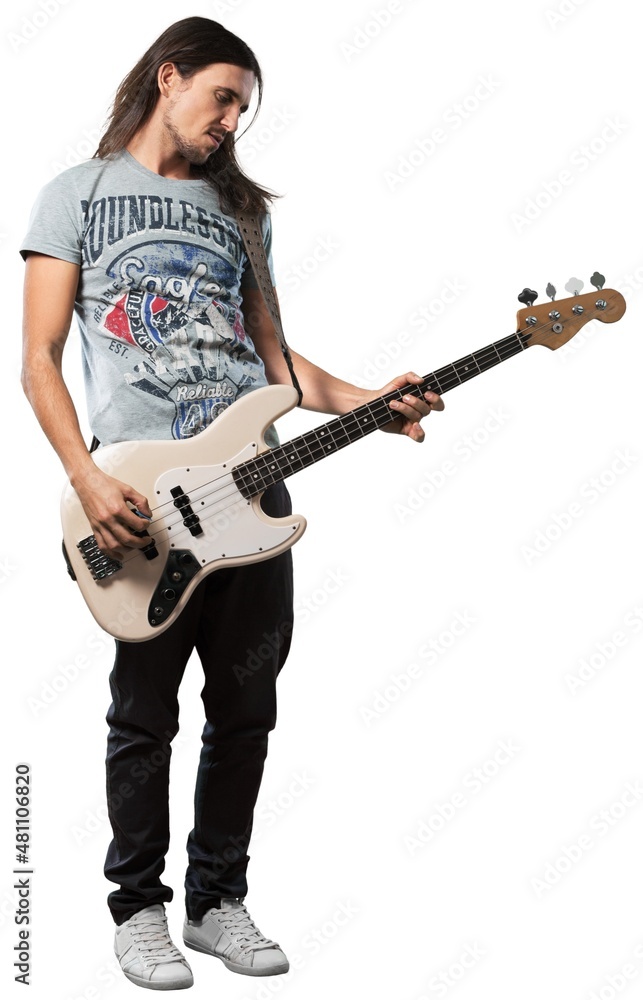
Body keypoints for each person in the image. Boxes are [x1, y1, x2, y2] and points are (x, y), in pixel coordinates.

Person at [20, 16, 443, 991]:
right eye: (222, 97)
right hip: (138, 501)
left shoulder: (241, 211)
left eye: (244, 110)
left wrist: (375, 400)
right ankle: (137, 909)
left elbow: (278, 366)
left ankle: (216, 901)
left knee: (245, 705)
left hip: (252, 489)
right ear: (168, 78)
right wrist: (87, 477)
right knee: (144, 714)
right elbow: (39, 359)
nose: (231, 122)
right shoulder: (74, 195)